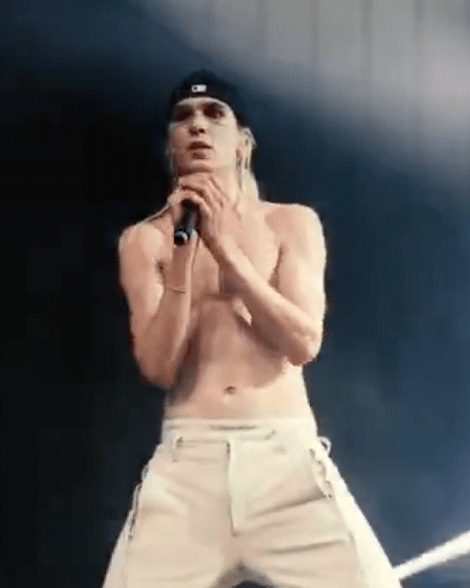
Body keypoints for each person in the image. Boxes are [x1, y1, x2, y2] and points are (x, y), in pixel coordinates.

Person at [102, 69, 403, 588]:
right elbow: (158, 366)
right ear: (171, 145)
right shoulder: (144, 241)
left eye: (213, 114)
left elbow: (302, 342)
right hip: (188, 466)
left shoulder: (290, 223)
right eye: (183, 118)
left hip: (284, 460)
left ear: (243, 142)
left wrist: (225, 249)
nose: (198, 126)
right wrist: (184, 254)